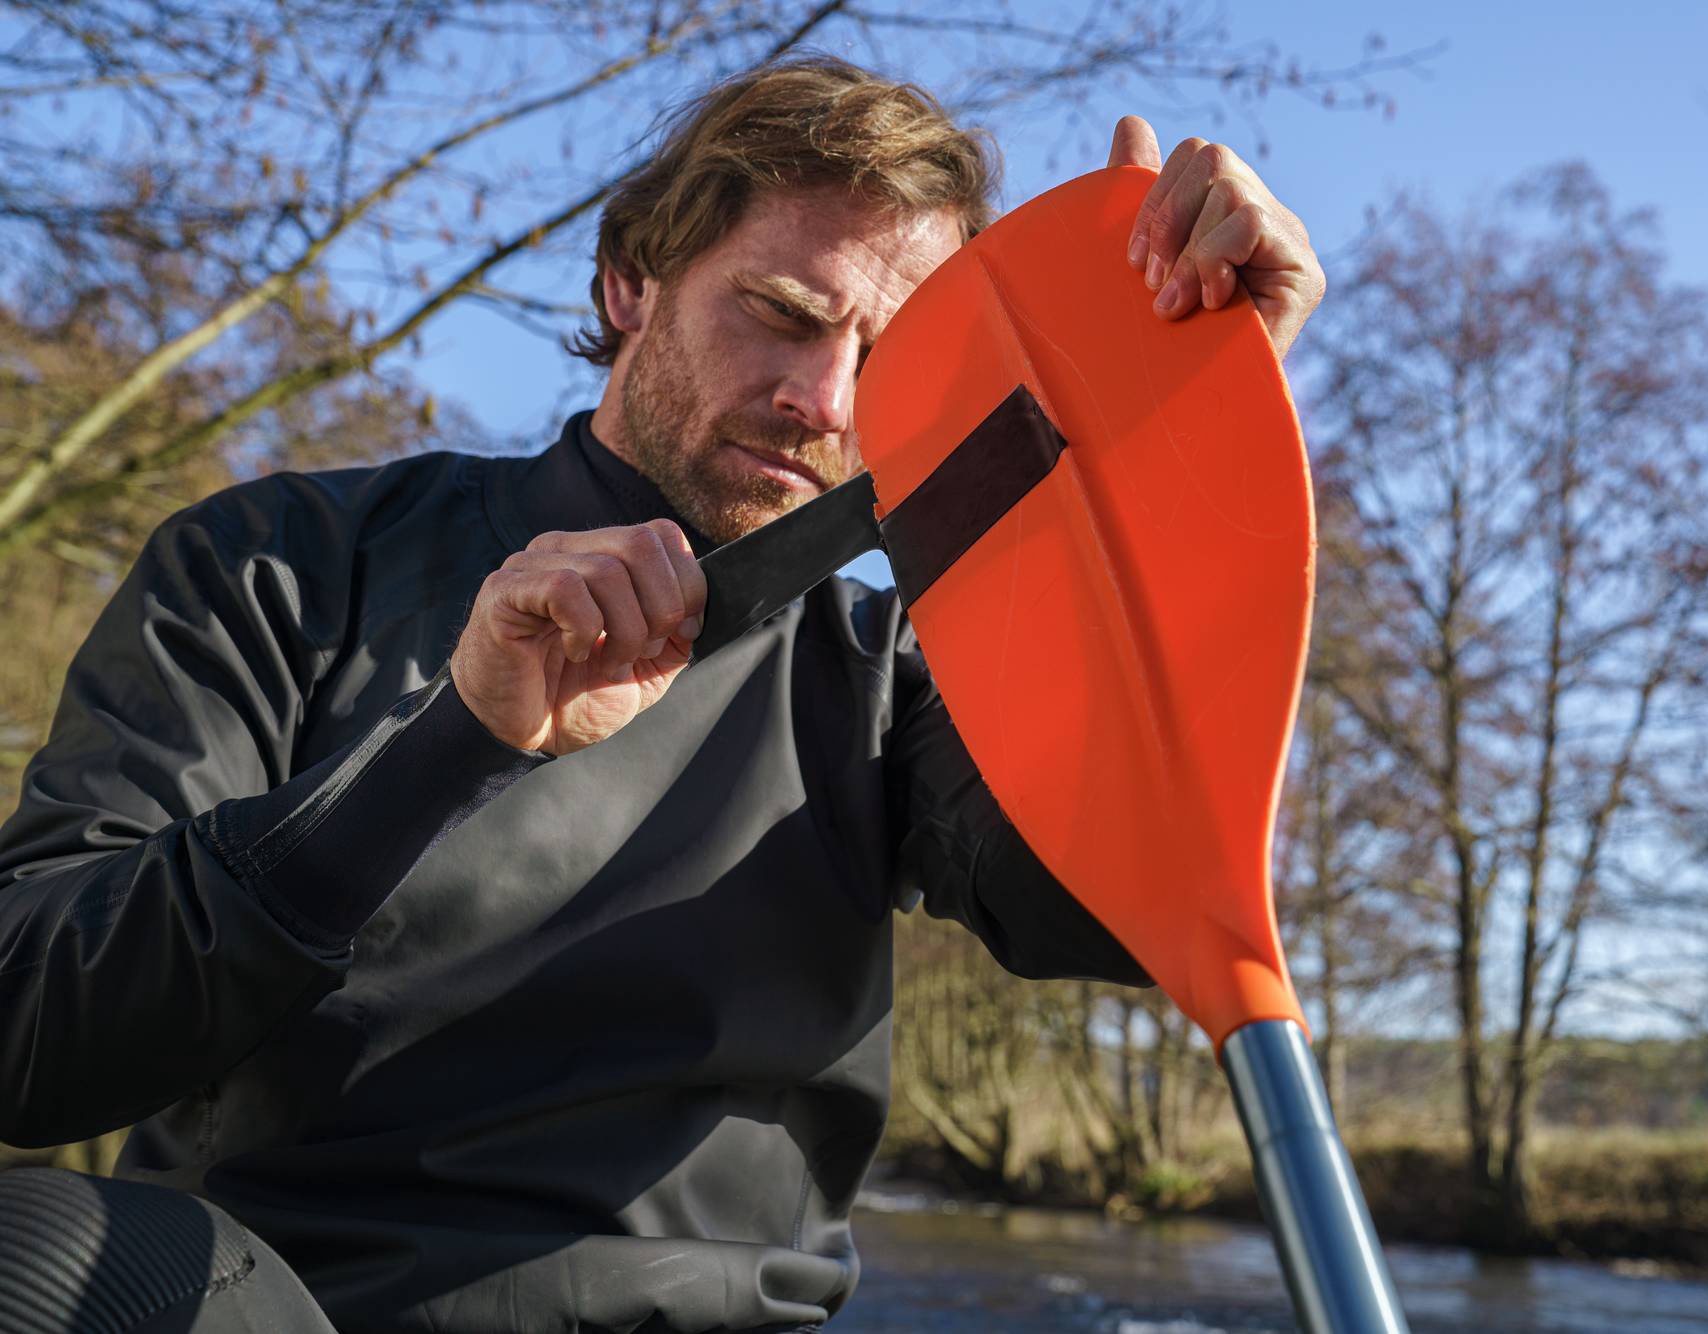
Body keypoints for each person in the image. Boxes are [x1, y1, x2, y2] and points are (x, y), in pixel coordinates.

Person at [0, 54, 1325, 1334]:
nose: (824, 400)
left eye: (887, 355)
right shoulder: (278, 565)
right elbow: (29, 1034)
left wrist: (1182, 440)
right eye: (783, 314)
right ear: (630, 281)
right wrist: (452, 742)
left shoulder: (889, 682)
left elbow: (1127, 898)